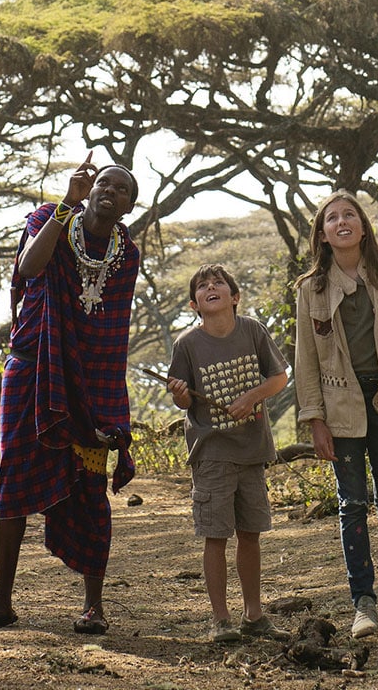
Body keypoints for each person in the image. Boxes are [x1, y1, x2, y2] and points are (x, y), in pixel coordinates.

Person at [0, 157, 141, 635]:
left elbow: (111, 334)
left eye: (120, 189)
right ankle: (1, 601)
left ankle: (93, 607)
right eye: (102, 181)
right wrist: (67, 205)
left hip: (91, 384)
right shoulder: (48, 218)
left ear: (127, 207)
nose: (108, 189)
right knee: (14, 476)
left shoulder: (127, 253)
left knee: (90, 487)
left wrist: (108, 405)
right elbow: (30, 265)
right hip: (30, 367)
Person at [293, 192, 378, 638]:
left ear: (364, 225)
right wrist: (314, 419)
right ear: (323, 234)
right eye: (331, 218)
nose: (341, 221)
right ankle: (363, 603)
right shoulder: (310, 288)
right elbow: (306, 363)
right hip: (340, 408)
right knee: (351, 505)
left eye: (349, 214)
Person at [165, 265, 290, 644]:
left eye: (218, 283)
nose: (211, 288)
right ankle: (221, 620)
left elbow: (279, 377)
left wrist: (250, 397)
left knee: (250, 534)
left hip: (252, 450)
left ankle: (254, 615)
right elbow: (180, 399)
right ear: (194, 304)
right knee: (215, 535)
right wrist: (181, 394)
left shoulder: (252, 330)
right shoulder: (187, 344)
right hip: (212, 452)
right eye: (202, 286)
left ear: (235, 297)